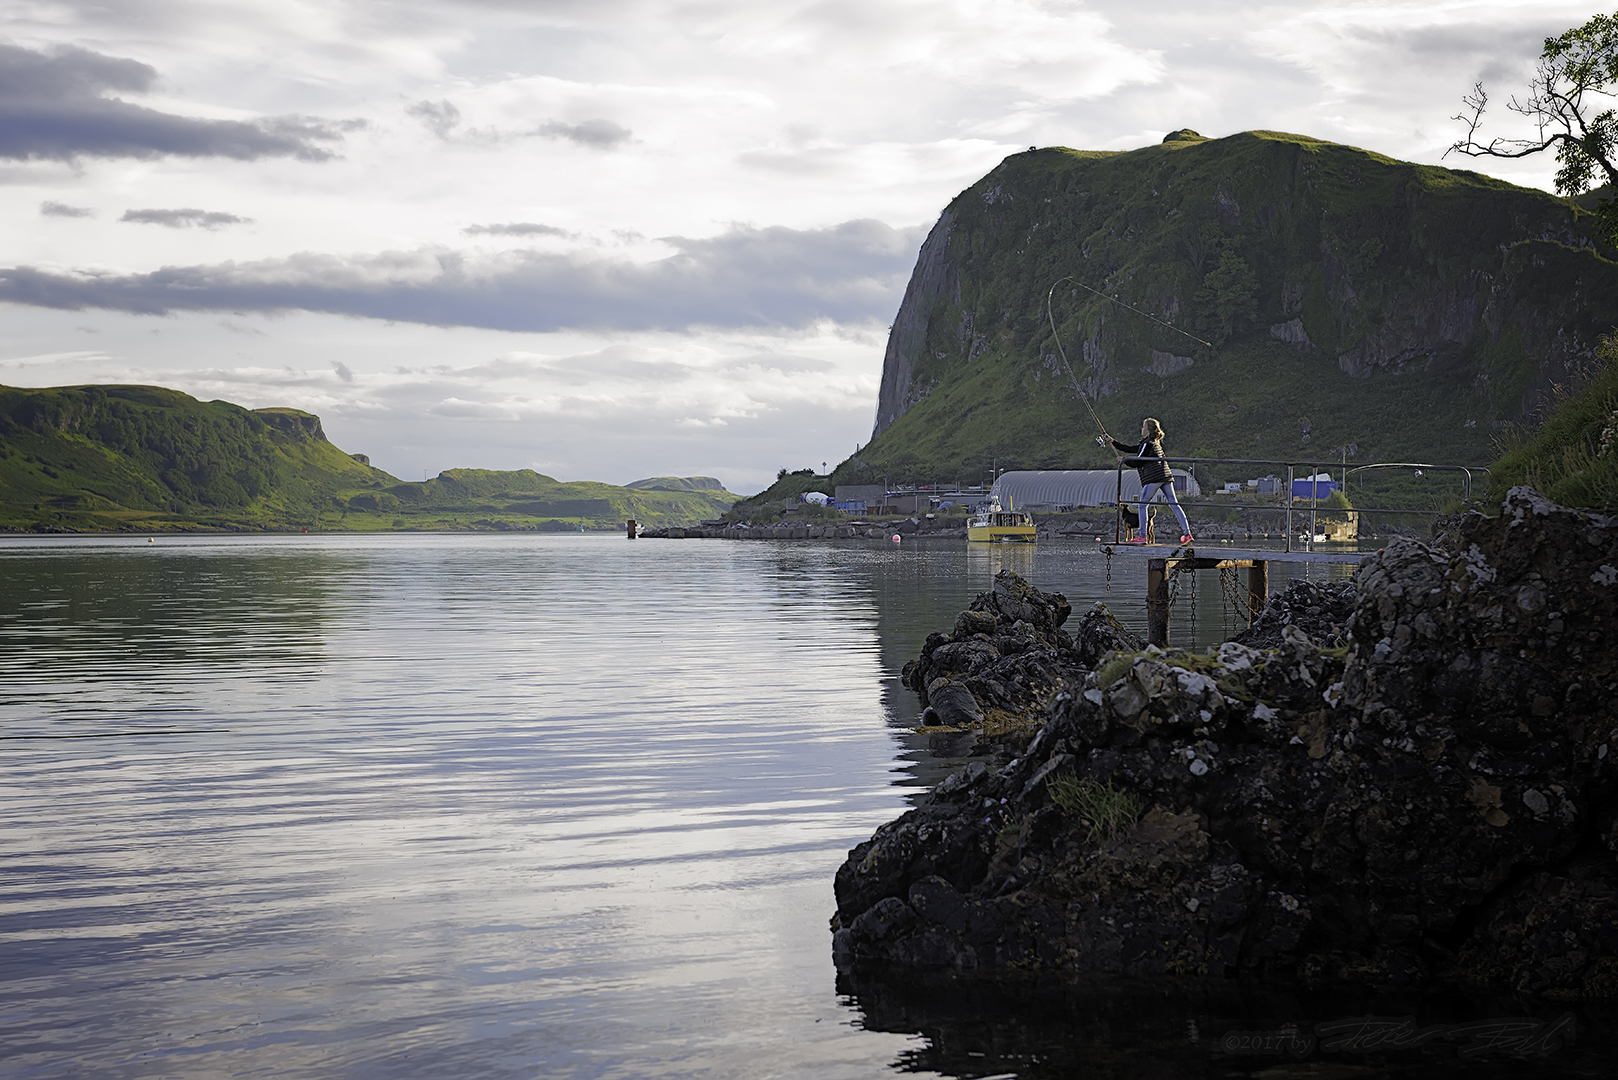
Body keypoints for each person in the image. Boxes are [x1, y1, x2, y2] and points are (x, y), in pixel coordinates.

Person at [1106, 418, 1193, 545]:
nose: (1141, 429)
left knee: (1142, 505)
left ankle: (1142, 536)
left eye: (1143, 426)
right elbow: (1132, 449)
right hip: (1166, 476)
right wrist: (1113, 442)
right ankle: (1187, 534)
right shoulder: (1153, 443)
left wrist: (1124, 461)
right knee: (1174, 504)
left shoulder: (1147, 444)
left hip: (1154, 477)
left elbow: (1138, 461)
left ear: (1147, 430)